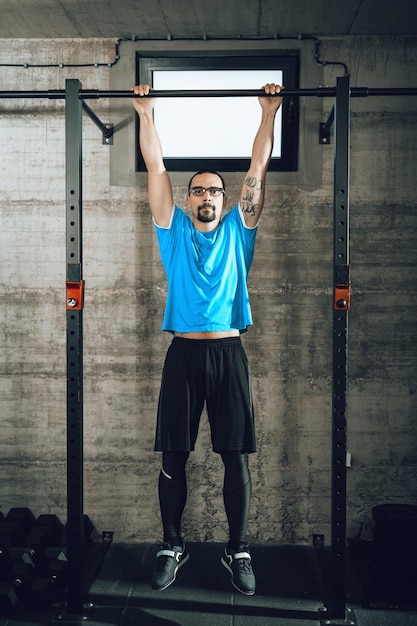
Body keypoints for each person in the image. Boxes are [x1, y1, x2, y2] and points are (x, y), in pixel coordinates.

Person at [132, 82, 283, 596]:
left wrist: (268, 113)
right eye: (197, 189)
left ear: (225, 198)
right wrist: (146, 113)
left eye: (214, 189)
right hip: (184, 355)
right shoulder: (171, 228)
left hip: (228, 354)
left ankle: (236, 549)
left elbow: (257, 170)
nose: (205, 196)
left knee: (234, 455)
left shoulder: (241, 229)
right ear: (188, 198)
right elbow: (156, 168)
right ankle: (171, 544)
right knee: (174, 456)